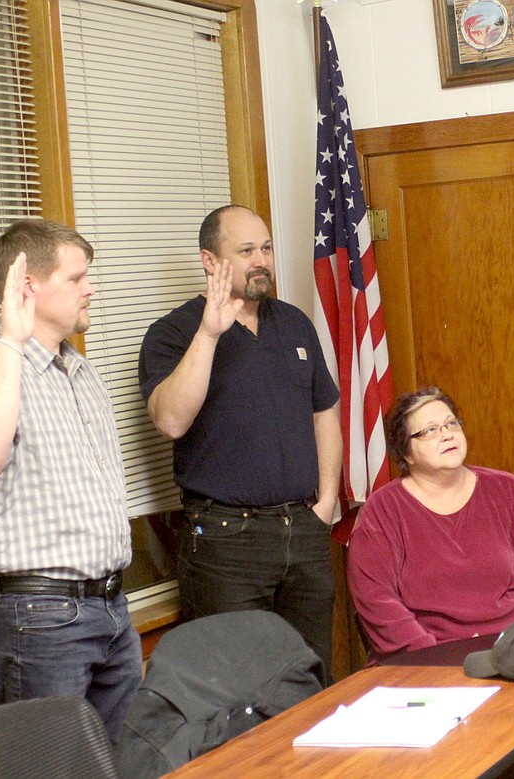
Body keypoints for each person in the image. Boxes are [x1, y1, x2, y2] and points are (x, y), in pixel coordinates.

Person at [0, 219, 142, 740]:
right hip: (39, 618)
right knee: (48, 764)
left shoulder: (81, 371)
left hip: (110, 609)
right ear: (29, 285)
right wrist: (11, 340)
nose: (90, 288)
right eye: (77, 279)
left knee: (121, 763)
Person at [138, 204, 341, 681]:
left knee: (311, 680)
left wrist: (327, 500)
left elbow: (324, 411)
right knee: (237, 689)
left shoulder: (293, 323)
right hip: (226, 542)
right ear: (210, 261)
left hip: (303, 530)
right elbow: (169, 420)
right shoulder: (172, 333)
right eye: (246, 250)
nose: (262, 260)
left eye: (266, 248)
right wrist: (210, 334)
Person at [347, 387, 514, 661]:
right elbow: (375, 600)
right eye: (430, 430)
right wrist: (438, 657)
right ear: (406, 454)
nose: (446, 434)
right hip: (427, 662)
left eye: (451, 423)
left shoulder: (508, 490)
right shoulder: (382, 511)